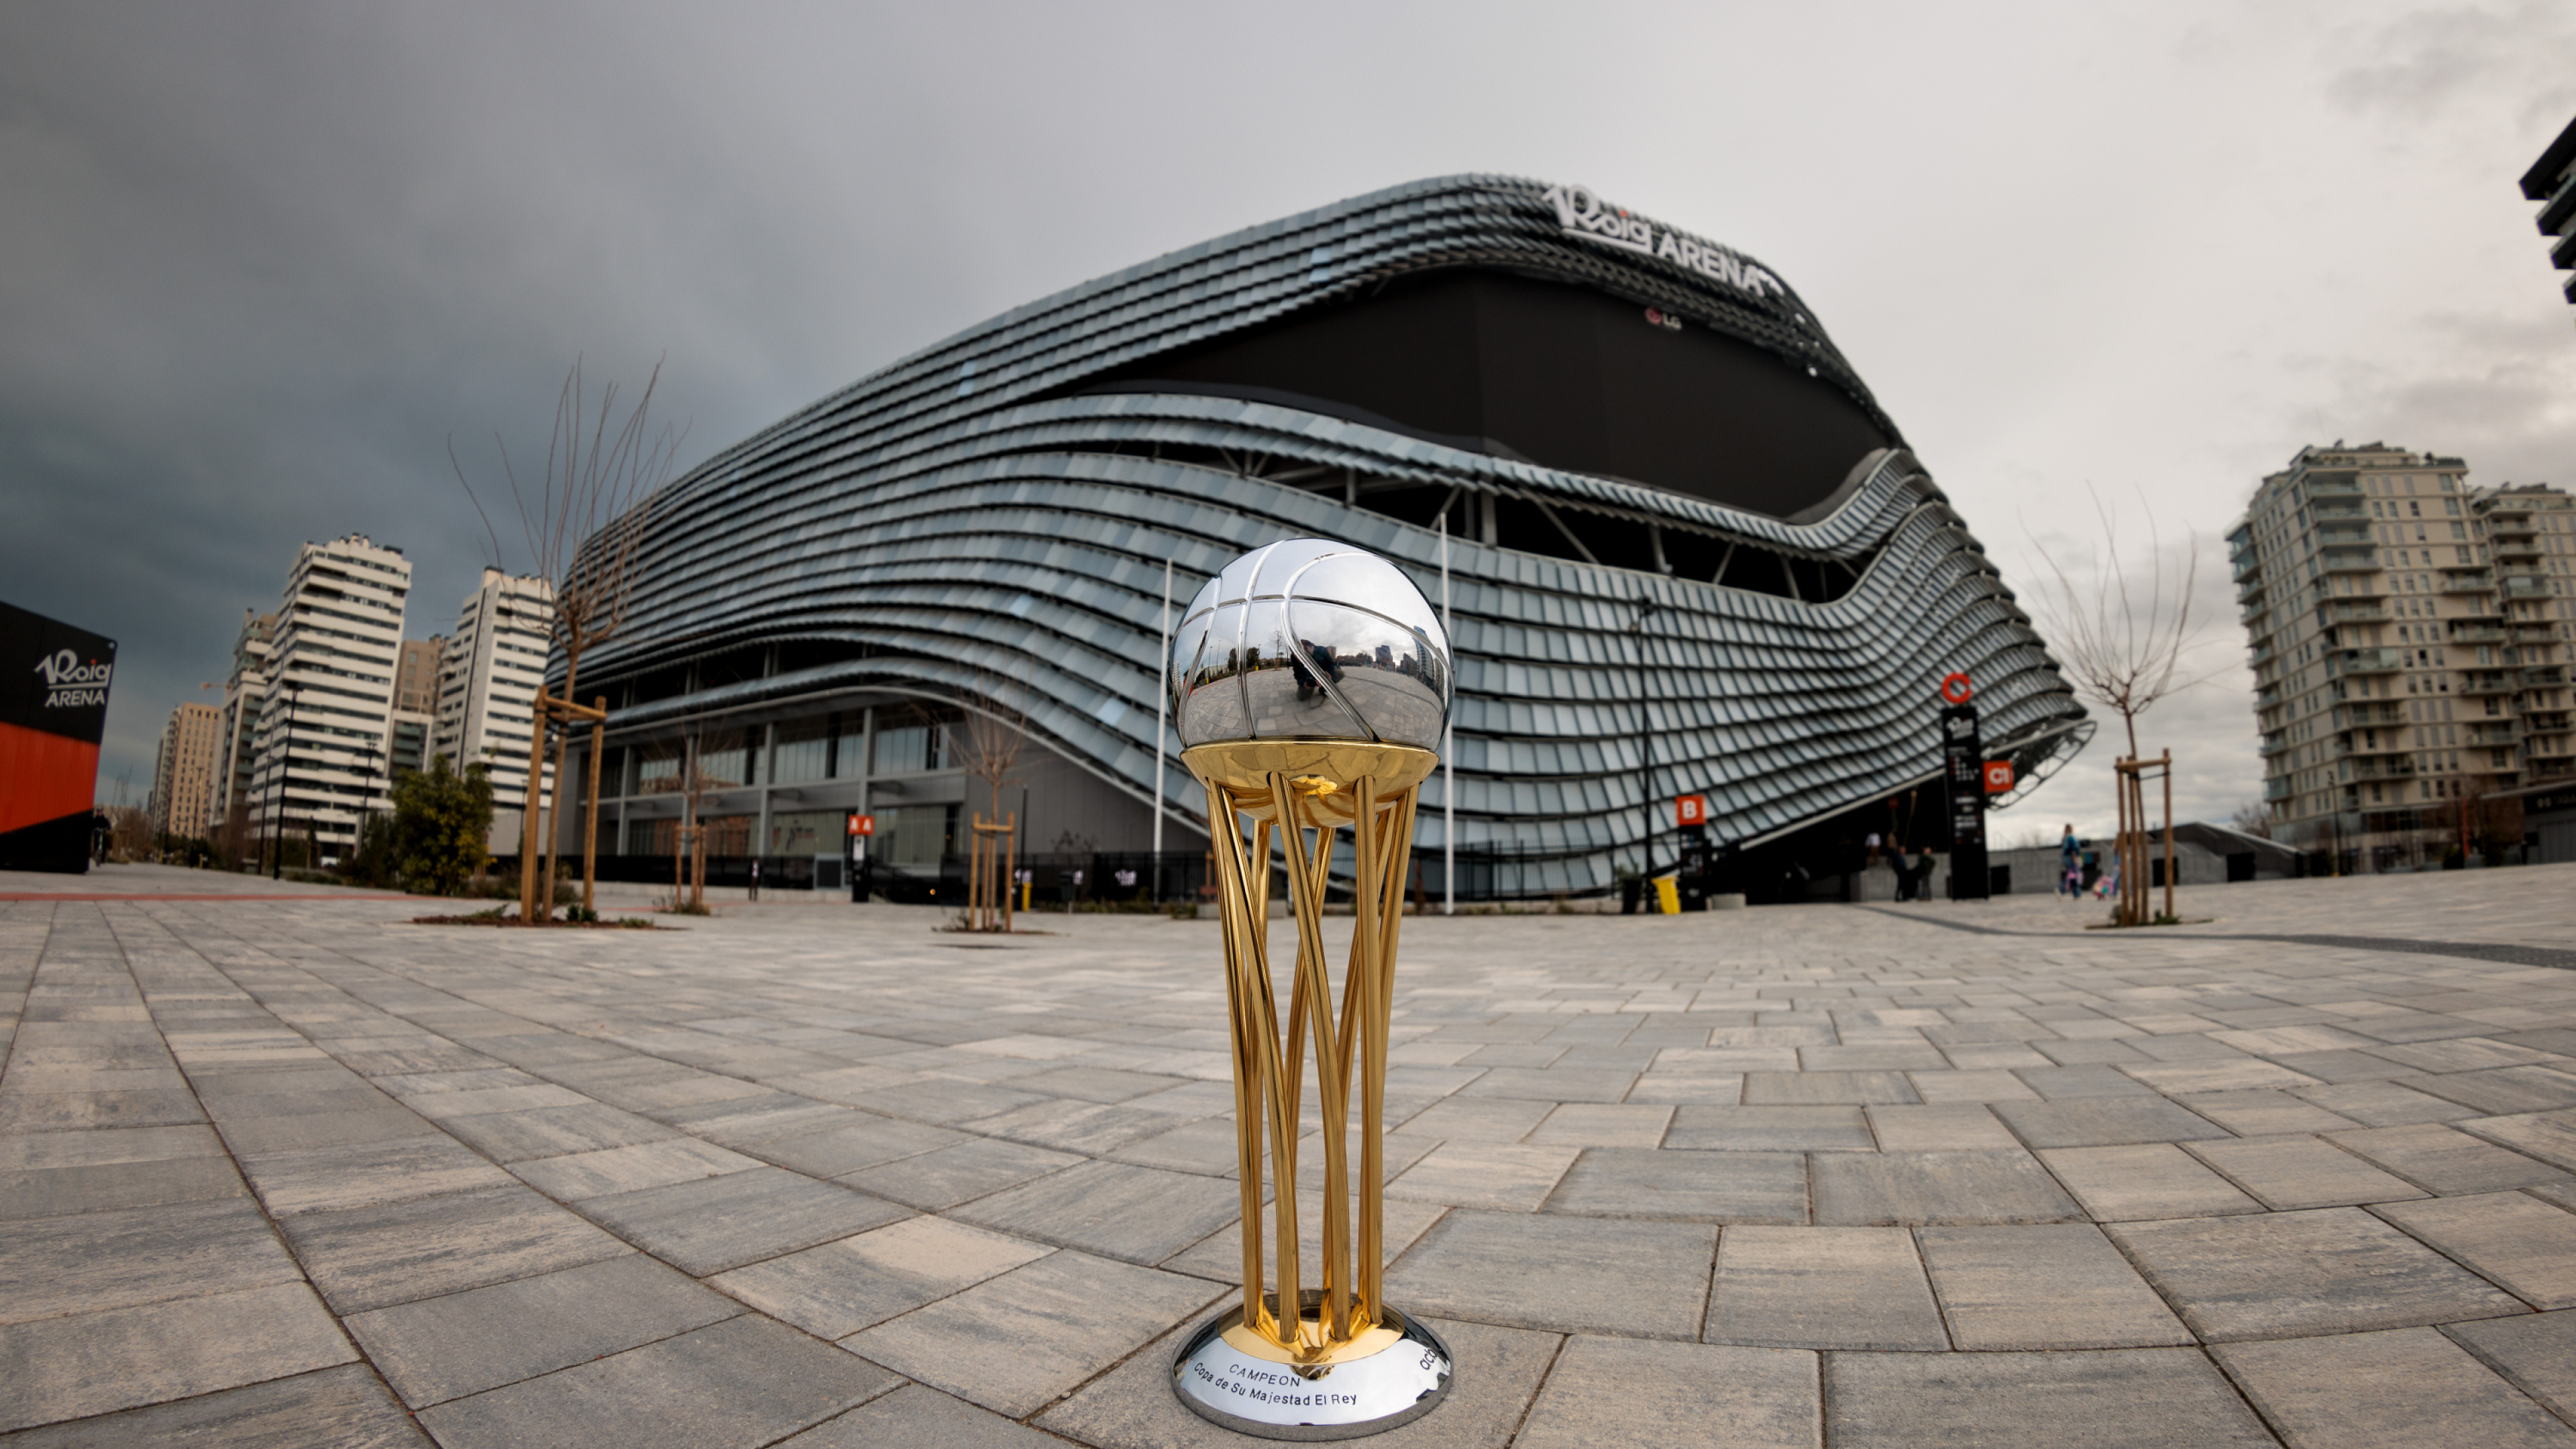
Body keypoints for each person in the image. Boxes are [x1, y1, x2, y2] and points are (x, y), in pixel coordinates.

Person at [2059, 824, 2080, 898]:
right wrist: (2075, 859)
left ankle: (2075, 894)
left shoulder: (2065, 838)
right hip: (2070, 858)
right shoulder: (2071, 838)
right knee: (2074, 876)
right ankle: (2061, 890)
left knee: (2071, 875)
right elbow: (2073, 849)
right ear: (2070, 829)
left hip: (2066, 858)